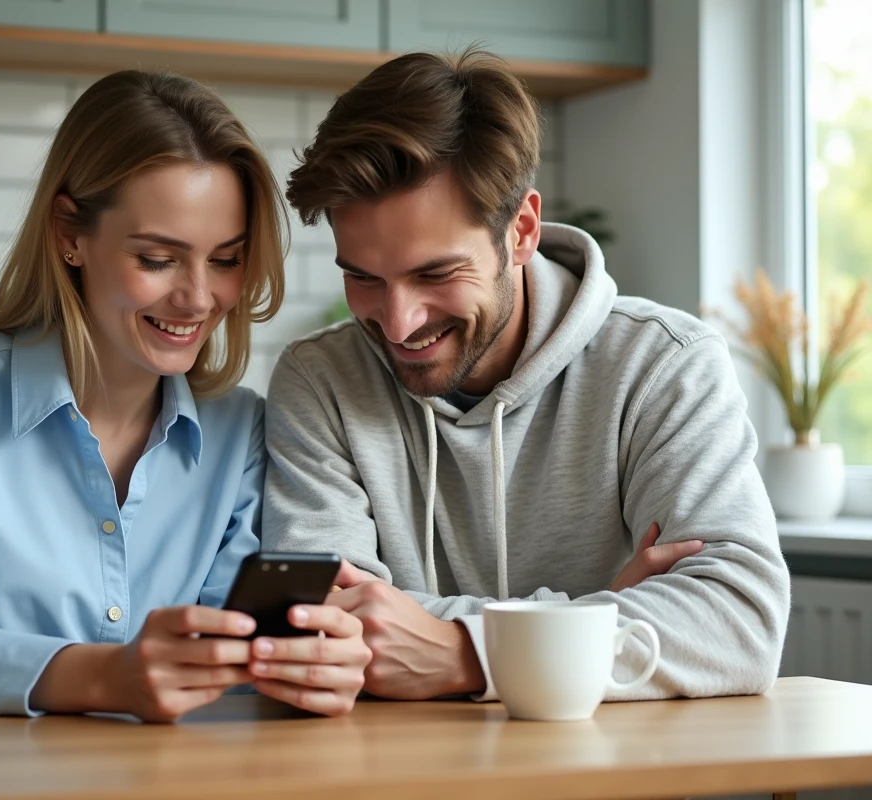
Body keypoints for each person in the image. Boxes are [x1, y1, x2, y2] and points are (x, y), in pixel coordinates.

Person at [0, 70, 370, 721]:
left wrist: (307, 666)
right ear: (70, 234)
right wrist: (97, 676)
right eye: (157, 259)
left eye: (225, 260)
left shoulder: (241, 432)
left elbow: (232, 688)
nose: (197, 298)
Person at [261, 48, 790, 702]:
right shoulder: (321, 382)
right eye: (364, 278)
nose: (398, 323)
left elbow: (740, 622)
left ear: (522, 230)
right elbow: (324, 630)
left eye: (435, 273)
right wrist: (589, 621)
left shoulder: (664, 364)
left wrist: (468, 652)